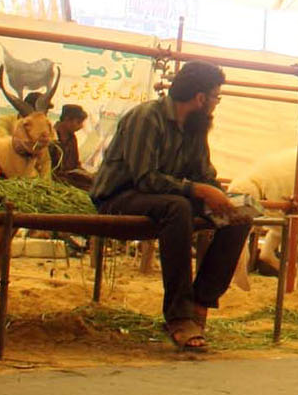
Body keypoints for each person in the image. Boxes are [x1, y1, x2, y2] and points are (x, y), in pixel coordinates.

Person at [89, 61, 250, 353]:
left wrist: (221, 196)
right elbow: (145, 178)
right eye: (216, 98)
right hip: (121, 197)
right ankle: (178, 316)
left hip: (165, 197)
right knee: (178, 208)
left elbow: (204, 174)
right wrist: (198, 190)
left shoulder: (195, 126)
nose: (215, 105)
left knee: (241, 215)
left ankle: (200, 301)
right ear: (200, 99)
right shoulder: (146, 118)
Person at [52, 103, 93, 190]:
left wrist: (85, 173)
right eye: (78, 122)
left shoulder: (72, 138)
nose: (81, 126)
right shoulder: (52, 137)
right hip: (56, 180)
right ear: (67, 120)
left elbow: (75, 164)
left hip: (70, 177)